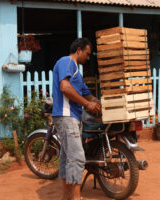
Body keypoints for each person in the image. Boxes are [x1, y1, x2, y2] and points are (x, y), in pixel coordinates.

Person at [52, 38, 101, 200]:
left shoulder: (76, 73)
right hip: (66, 117)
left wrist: (102, 103)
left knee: (68, 159)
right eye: (87, 54)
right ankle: (75, 198)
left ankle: (67, 197)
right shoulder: (66, 62)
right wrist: (88, 104)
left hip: (72, 118)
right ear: (79, 50)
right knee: (77, 158)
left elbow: (88, 95)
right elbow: (65, 87)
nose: (88, 58)